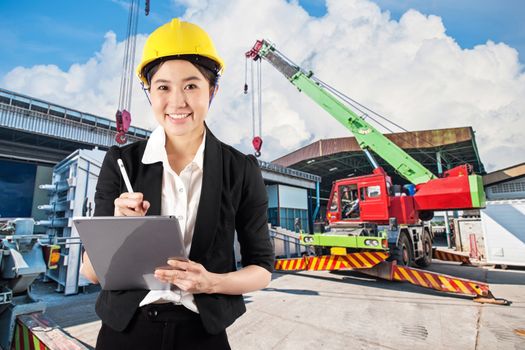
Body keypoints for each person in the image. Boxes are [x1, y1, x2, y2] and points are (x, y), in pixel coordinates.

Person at [80, 18, 274, 350]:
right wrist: (117, 226)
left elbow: (262, 268)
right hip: (125, 332)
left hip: (203, 334)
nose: (177, 101)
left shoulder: (241, 170)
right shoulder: (121, 163)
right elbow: (92, 273)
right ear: (150, 92)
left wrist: (212, 282)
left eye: (191, 85)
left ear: (212, 91)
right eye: (163, 87)